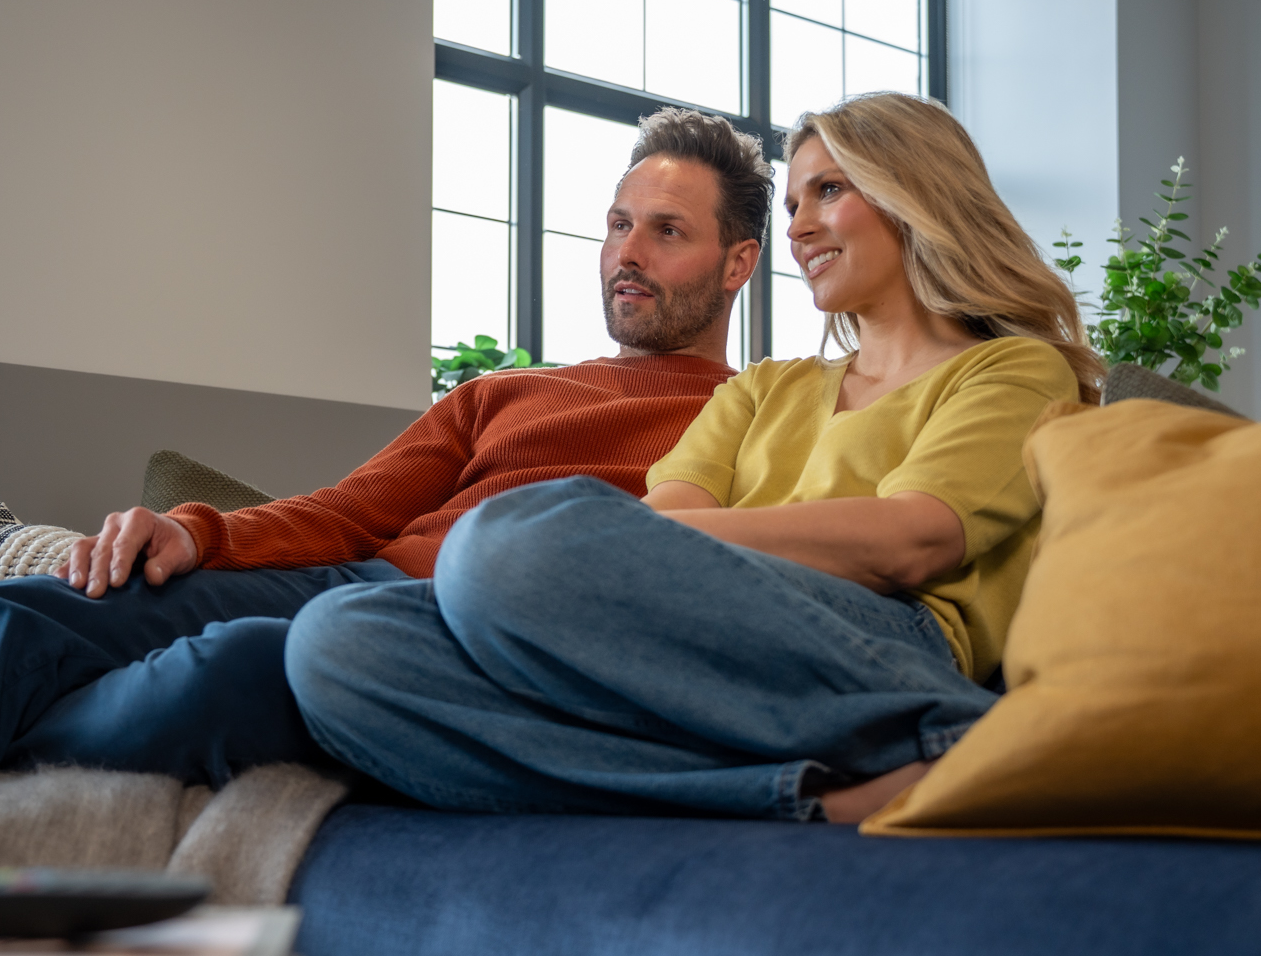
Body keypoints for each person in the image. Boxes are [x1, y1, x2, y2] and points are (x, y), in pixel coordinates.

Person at [0, 107, 772, 944]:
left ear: (735, 266)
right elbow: (346, 509)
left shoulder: (759, 418)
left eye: (665, 231)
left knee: (218, 673)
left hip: (433, 641)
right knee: (42, 609)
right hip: (340, 578)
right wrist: (196, 531)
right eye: (615, 223)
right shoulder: (504, 394)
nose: (625, 254)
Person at [280, 92, 1104, 826]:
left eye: (828, 189)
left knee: (506, 542)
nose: (799, 227)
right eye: (791, 204)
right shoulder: (763, 389)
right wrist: (639, 552)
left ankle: (934, 726)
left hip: (884, 643)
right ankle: (794, 789)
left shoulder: (1012, 369)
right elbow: (666, 521)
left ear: (916, 196)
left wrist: (630, 549)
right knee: (338, 644)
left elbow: (911, 538)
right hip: (712, 632)